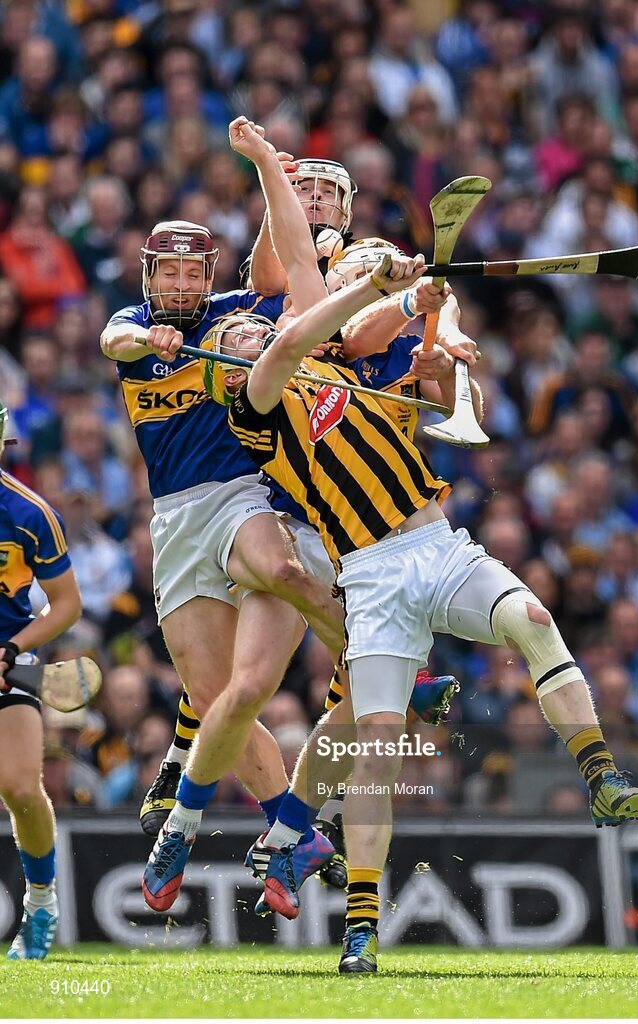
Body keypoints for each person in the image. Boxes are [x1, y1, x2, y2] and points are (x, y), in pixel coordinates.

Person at [202, 250, 638, 973]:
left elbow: (419, 372)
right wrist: (399, 297)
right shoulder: (255, 401)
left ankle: (601, 774)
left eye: (254, 330)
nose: (254, 333)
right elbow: (294, 339)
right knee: (375, 748)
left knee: (532, 620)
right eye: (237, 339)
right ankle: (361, 928)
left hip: (436, 542)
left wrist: (432, 315)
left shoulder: (353, 367)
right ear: (228, 366)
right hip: (370, 578)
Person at [101, 118, 351, 912]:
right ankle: (292, 828)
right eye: (167, 272)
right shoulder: (137, 325)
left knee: (279, 566)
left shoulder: (234, 311)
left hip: (240, 494)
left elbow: (280, 287)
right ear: (149, 276)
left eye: (189, 273)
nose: (179, 285)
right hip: (172, 518)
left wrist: (265, 174)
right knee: (219, 704)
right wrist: (155, 344)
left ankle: (386, 659)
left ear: (208, 273)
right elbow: (114, 341)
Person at [0, 400, 82, 959]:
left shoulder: (29, 513)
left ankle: (41, 901)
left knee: (22, 788)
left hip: (11, 660)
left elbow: (67, 605)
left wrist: (11, 647)